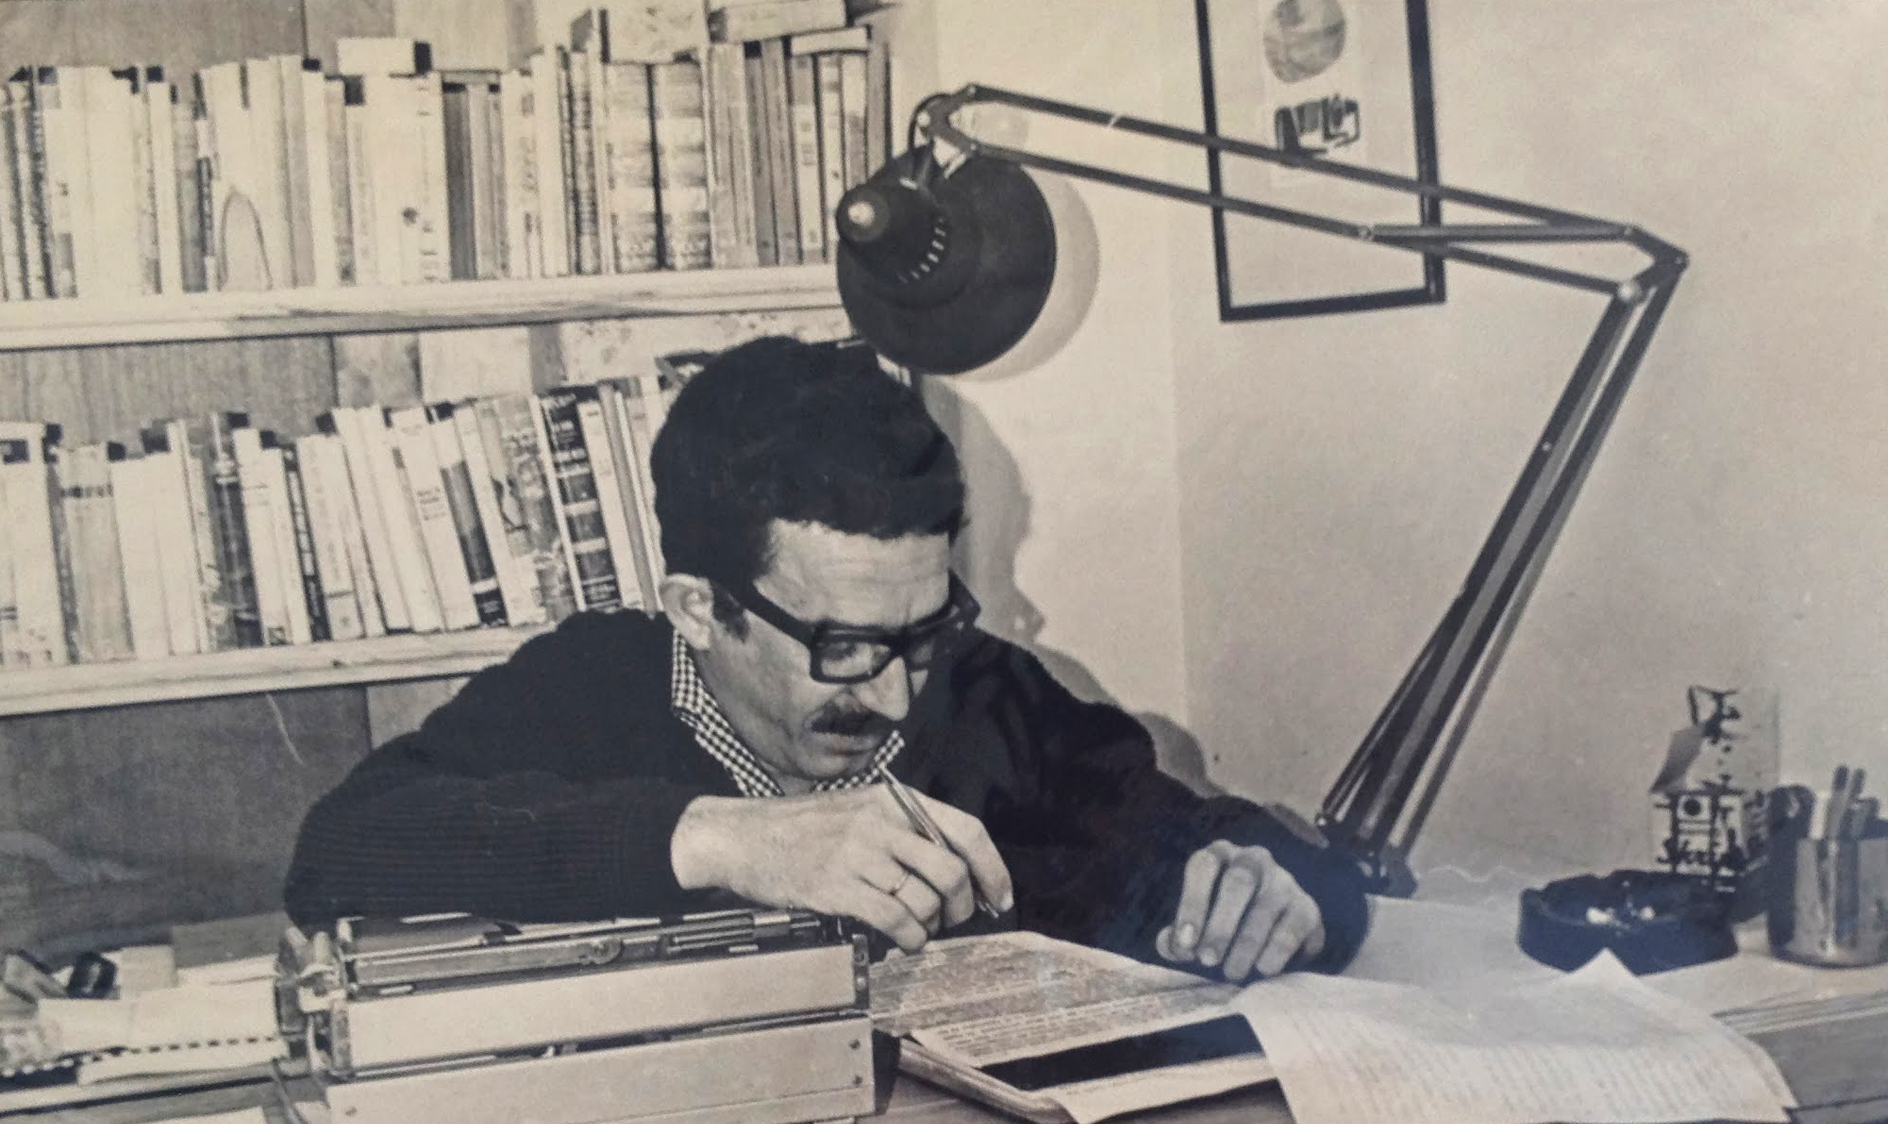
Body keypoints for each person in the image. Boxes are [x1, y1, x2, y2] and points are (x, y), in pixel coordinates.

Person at [284, 337, 1369, 982]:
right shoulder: (589, 690)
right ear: (700, 610)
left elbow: (1194, 833)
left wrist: (1291, 890)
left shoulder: (985, 690)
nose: (898, 694)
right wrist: (723, 841)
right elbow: (343, 849)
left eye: (924, 630)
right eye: (845, 648)